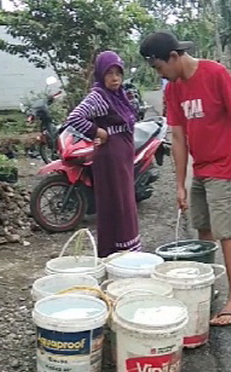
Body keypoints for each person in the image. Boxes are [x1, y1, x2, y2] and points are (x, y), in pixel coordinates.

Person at [139, 30, 231, 326]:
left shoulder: (216, 74)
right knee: (203, 230)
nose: (160, 74)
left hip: (223, 167)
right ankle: (207, 287)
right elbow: (178, 137)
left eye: (160, 67)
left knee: (225, 232)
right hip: (201, 169)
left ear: (174, 57)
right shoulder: (173, 90)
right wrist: (179, 184)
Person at [64, 51, 141, 257]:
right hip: (111, 156)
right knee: (118, 203)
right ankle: (119, 251)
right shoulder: (99, 96)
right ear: (100, 75)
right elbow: (75, 117)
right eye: (109, 73)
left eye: (118, 73)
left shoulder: (119, 95)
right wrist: (97, 132)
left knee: (123, 201)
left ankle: (123, 250)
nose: (115, 78)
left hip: (121, 154)